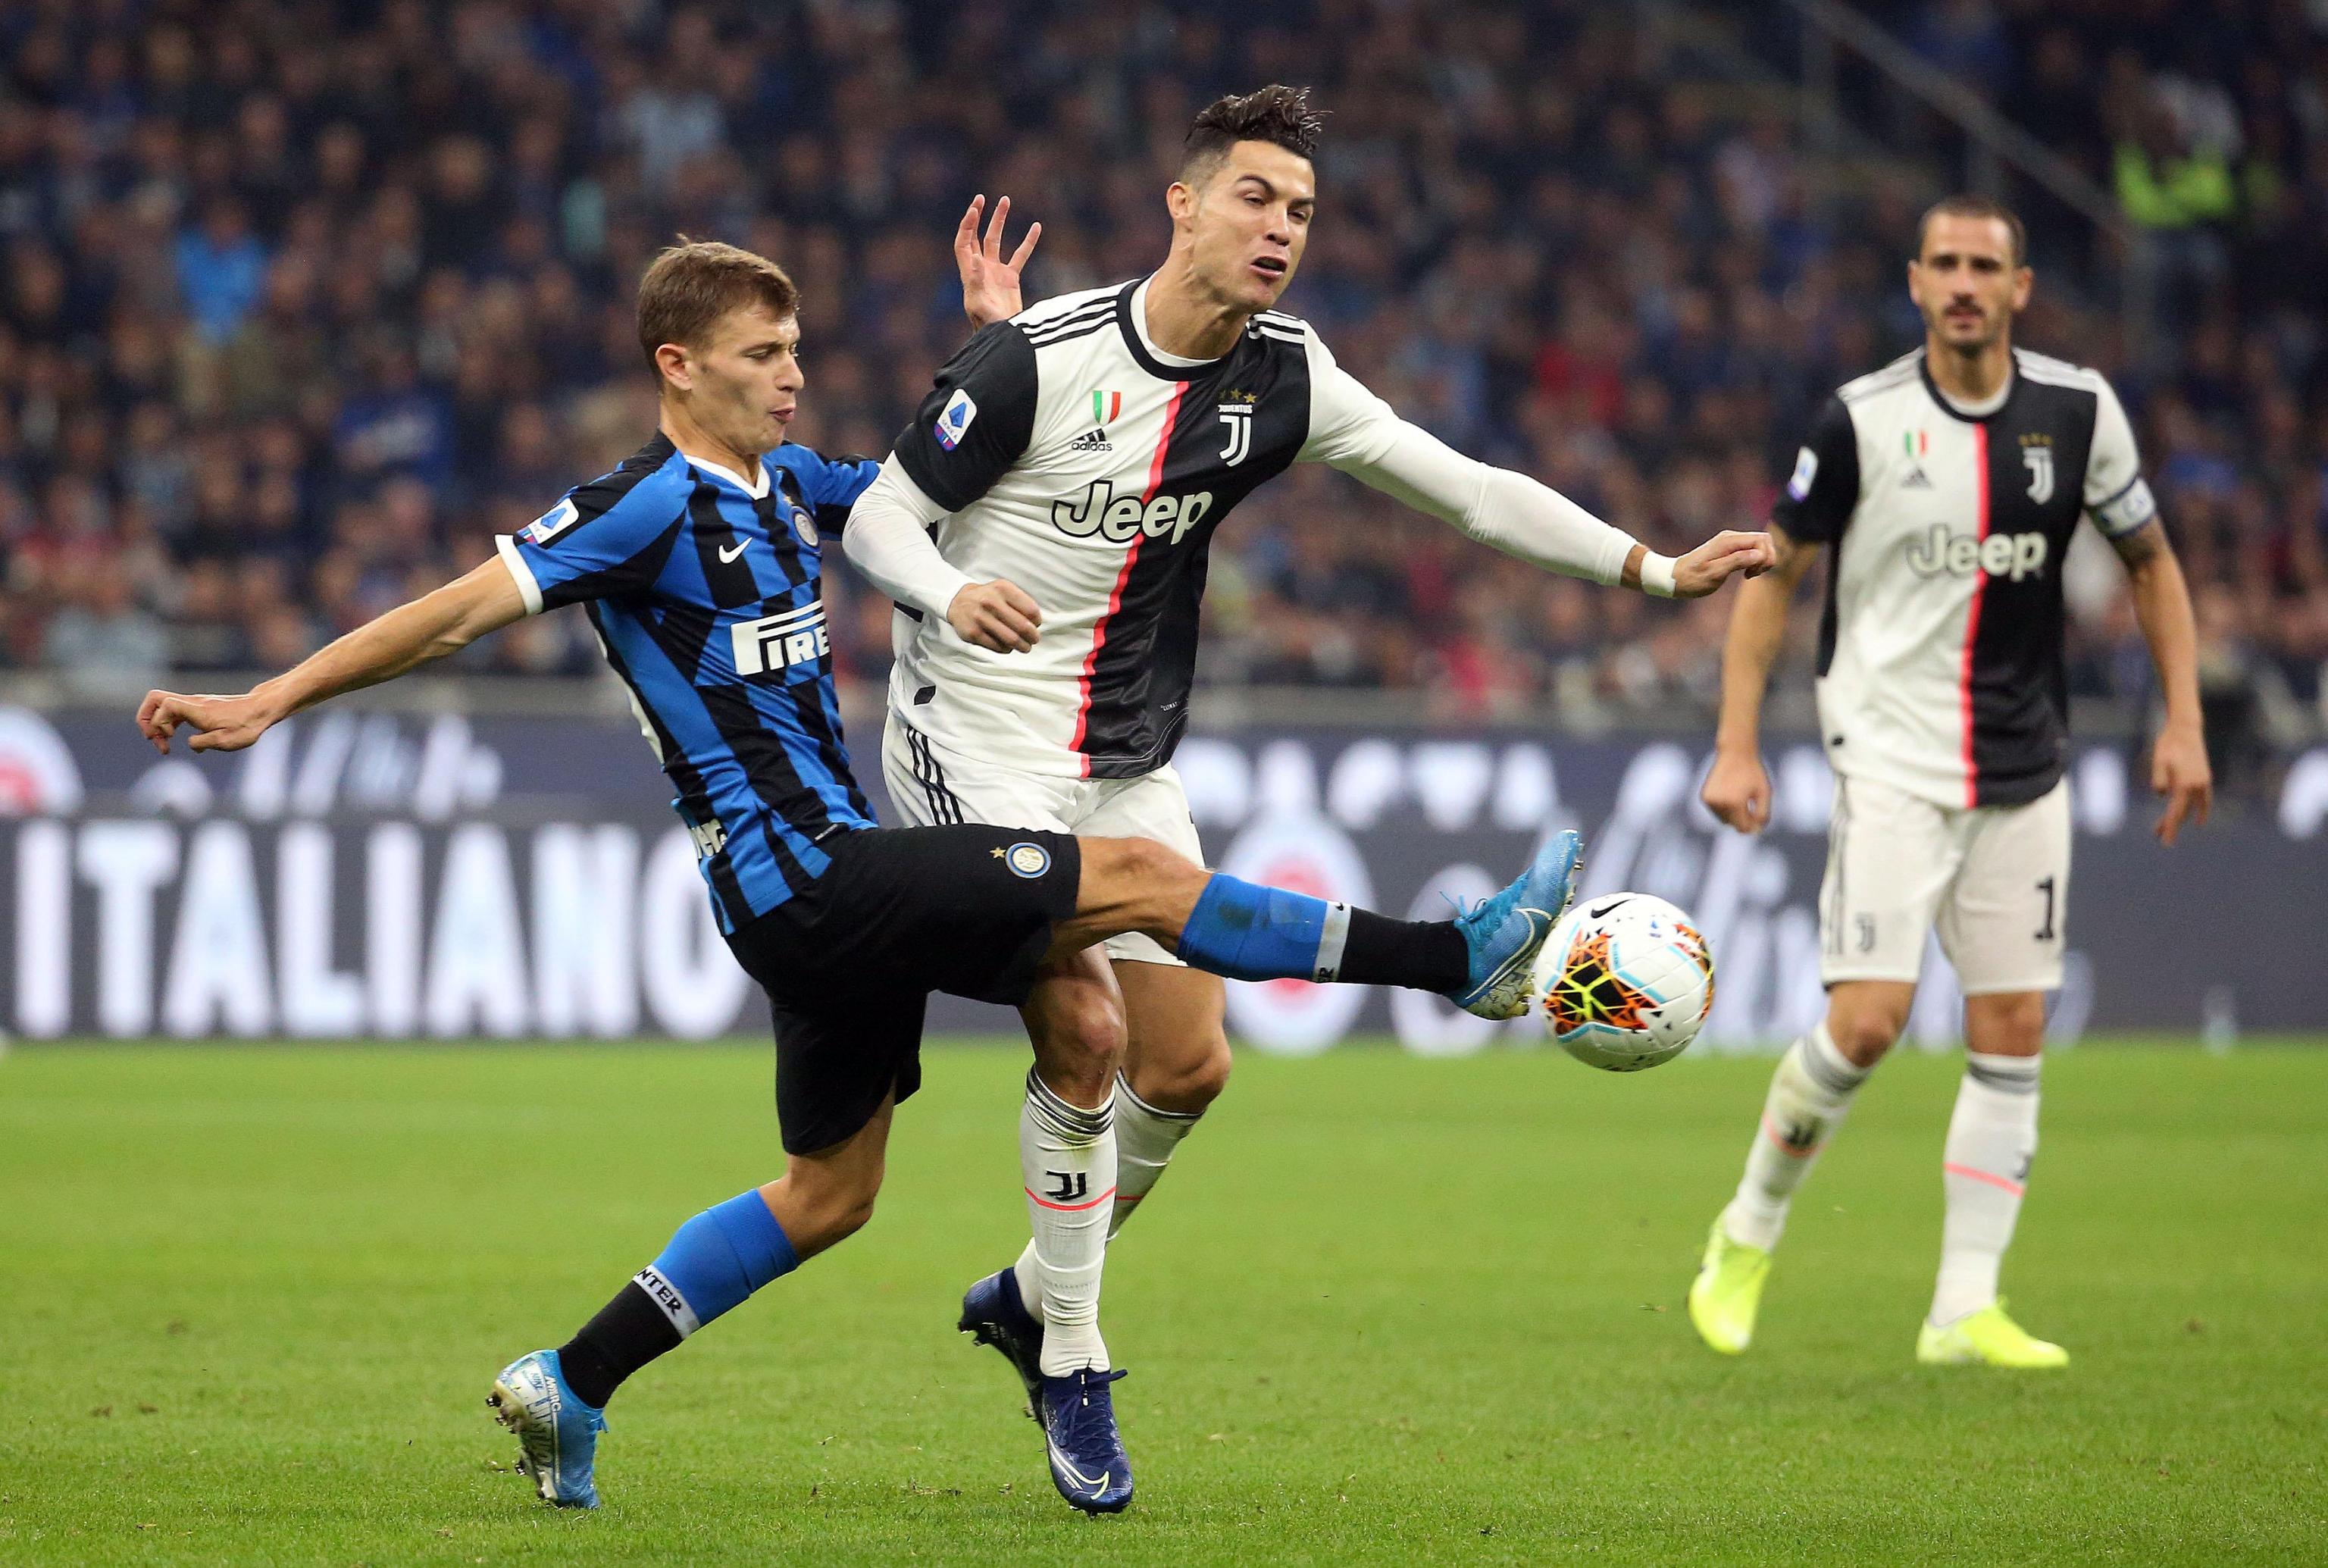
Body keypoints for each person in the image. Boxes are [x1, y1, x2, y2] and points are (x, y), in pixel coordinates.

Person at [133, 235, 1585, 1516]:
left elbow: (933, 480)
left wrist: (993, 344)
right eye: (767, 356)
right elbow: (454, 614)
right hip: (813, 881)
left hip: (819, 902)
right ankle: (1456, 959)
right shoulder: (640, 507)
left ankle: (570, 1382)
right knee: (1140, 873)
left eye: (798, 351)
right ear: (677, 363)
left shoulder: (785, 490)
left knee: (843, 1187)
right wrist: (270, 698)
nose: (793, 377)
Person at [840, 85, 1773, 1422]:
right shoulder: (1037, 356)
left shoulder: (1288, 374)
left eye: (1303, 211)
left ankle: (1036, 1293)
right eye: (1255, 198)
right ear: (1185, 203)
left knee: (1190, 1066)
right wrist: (942, 593)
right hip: (971, 736)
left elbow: (1467, 487)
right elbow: (878, 520)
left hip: (1125, 753)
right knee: (1090, 1026)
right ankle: (1073, 1357)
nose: (1280, 229)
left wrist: (1657, 569)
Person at [1685, 196, 2212, 1369]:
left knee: (2012, 1025)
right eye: (1946, 265)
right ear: (1915, 283)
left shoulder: (2079, 413)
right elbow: (1772, 576)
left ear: (2022, 287)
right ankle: (1748, 1229)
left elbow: (2152, 562)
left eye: (1988, 265)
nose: (1966, 283)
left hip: (2025, 763)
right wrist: (1737, 739)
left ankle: (1962, 1307)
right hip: (1889, 753)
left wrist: (2183, 718)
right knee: (1866, 1022)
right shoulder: (1862, 420)